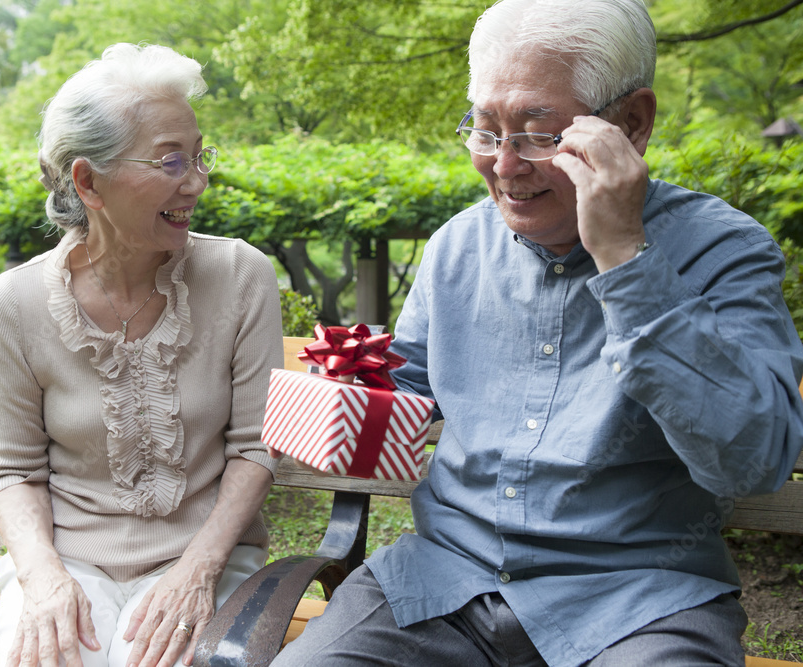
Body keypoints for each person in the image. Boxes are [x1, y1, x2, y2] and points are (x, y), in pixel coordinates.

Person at [272, 1, 803, 665]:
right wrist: (344, 391)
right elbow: (405, 392)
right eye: (485, 128)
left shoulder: (722, 251)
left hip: (638, 603)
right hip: (440, 586)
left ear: (632, 123)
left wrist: (628, 260)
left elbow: (752, 460)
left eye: (537, 132)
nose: (503, 163)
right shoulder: (456, 248)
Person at [0, 43, 283, 667]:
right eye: (171, 161)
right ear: (87, 180)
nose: (196, 182)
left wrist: (198, 570)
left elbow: (255, 447)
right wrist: (45, 583)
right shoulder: (12, 303)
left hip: (205, 558)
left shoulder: (240, 274)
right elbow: (15, 472)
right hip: (67, 561)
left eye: (200, 157)